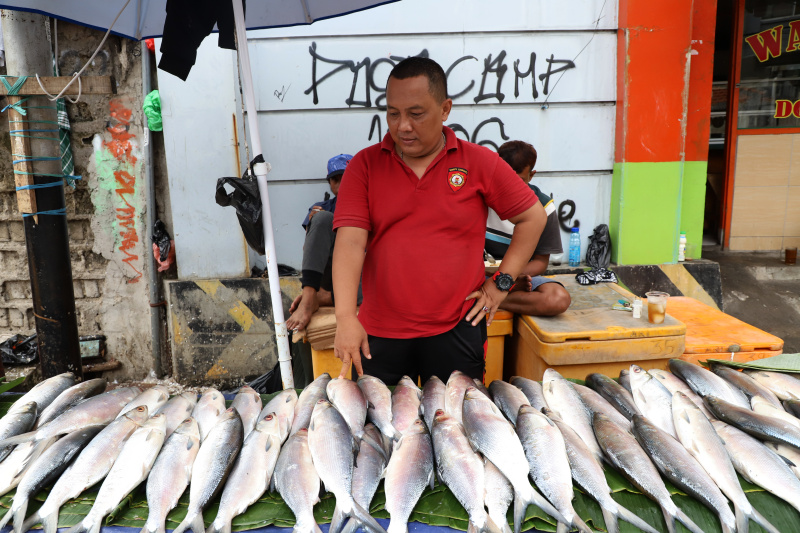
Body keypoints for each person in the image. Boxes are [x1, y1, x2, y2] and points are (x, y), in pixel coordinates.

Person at [331, 57, 547, 385]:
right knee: (382, 431)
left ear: (445, 109)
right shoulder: (365, 166)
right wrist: (346, 317)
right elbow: (349, 242)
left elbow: (532, 217)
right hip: (379, 332)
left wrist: (501, 284)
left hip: (457, 327)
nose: (403, 125)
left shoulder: (478, 161)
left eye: (416, 114)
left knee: (456, 428)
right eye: (393, 113)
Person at [485, 141, 571, 316]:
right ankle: (490, 292)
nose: (509, 188)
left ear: (532, 176)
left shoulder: (544, 206)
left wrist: (509, 278)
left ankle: (489, 297)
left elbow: (541, 262)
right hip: (479, 276)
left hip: (520, 277)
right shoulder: (480, 197)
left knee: (557, 299)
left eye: (518, 181)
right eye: (504, 179)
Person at [285, 154, 353, 332]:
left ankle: (325, 297)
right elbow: (309, 250)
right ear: (329, 183)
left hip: (358, 275)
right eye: (335, 179)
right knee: (322, 219)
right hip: (331, 275)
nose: (340, 184)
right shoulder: (321, 208)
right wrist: (313, 225)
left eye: (346, 178)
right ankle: (309, 297)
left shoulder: (372, 206)